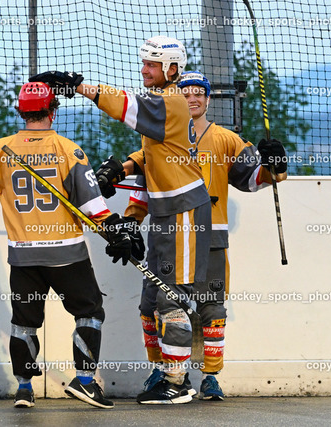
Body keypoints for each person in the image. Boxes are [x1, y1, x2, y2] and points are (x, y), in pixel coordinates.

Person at [30, 35, 212, 404]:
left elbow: (124, 106)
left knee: (172, 300)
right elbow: (156, 157)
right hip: (167, 213)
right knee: (153, 302)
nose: (143, 69)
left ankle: (177, 384)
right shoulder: (168, 107)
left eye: (151, 64)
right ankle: (167, 375)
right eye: (143, 63)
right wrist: (125, 181)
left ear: (172, 69)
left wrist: (76, 84)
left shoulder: (170, 100)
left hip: (184, 214)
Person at [0, 81, 135, 409]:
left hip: (23, 255)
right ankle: (85, 382)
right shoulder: (70, 151)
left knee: (24, 321)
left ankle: (24, 388)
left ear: (20, 112)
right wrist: (117, 231)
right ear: (52, 112)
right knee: (89, 312)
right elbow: (94, 209)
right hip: (67, 253)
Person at [126, 70, 288, 400]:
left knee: (212, 307)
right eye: (186, 91)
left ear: (208, 99)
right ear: (177, 98)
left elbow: (259, 178)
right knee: (152, 306)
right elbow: (143, 185)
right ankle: (163, 371)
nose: (193, 97)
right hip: (166, 235)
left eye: (200, 92)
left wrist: (277, 162)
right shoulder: (160, 138)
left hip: (211, 236)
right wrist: (130, 221)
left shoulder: (226, 139)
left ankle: (210, 377)